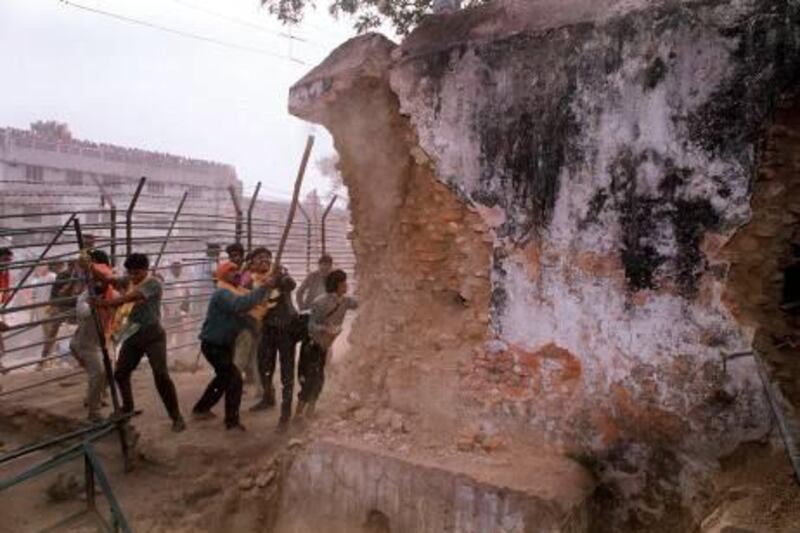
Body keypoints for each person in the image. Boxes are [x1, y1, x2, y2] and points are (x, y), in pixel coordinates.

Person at [97, 253, 186, 432]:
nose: (133, 276)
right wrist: (89, 267)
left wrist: (105, 303)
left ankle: (176, 416)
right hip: (133, 334)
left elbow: (130, 298)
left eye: (137, 273)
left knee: (161, 375)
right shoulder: (129, 280)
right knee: (121, 373)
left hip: (153, 335)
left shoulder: (153, 283)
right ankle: (127, 408)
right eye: (130, 273)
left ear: (146, 270)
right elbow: (110, 279)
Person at [192, 261, 272, 430]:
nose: (235, 273)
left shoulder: (236, 291)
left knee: (223, 378)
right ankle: (232, 422)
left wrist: (266, 288)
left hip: (223, 344)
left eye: (236, 270)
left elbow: (254, 303)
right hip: (213, 344)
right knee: (234, 379)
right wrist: (264, 288)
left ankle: (201, 409)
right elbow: (241, 304)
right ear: (222, 276)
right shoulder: (222, 293)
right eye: (231, 271)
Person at [297, 270, 358, 419]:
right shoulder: (320, 302)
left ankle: (310, 411)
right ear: (335, 285)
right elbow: (311, 326)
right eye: (343, 283)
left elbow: (360, 303)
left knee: (319, 380)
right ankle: (297, 415)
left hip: (323, 347)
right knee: (309, 380)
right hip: (312, 345)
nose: (346, 285)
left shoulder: (345, 301)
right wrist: (326, 329)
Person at [251, 260, 298, 432]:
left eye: (266, 259)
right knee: (264, 366)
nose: (262, 262)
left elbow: (291, 284)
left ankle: (285, 415)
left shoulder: (281, 277)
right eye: (259, 259)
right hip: (268, 329)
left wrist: (278, 277)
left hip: (285, 329)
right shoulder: (255, 281)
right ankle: (268, 396)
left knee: (287, 372)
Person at [71, 250, 116, 422]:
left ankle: (93, 398)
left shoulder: (113, 293)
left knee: (107, 370)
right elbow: (82, 313)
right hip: (86, 343)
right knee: (98, 373)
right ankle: (94, 412)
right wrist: (95, 303)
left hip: (101, 341)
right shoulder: (85, 296)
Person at [40, 260, 81, 367]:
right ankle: (43, 359)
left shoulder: (82, 276)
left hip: (74, 307)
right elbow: (57, 294)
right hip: (63, 307)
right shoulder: (63, 276)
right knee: (53, 333)